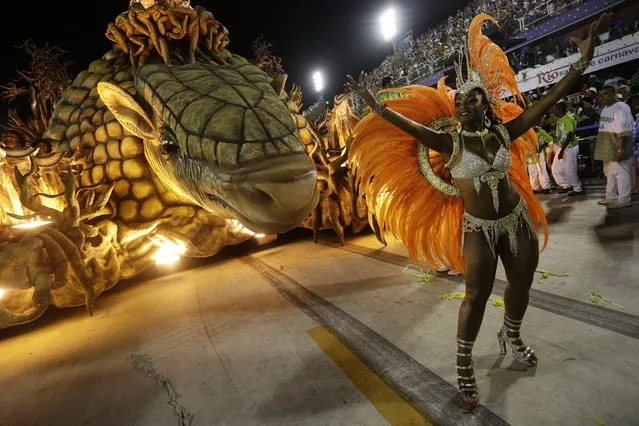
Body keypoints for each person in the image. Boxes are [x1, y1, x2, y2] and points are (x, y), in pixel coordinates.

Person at [346, 12, 608, 408]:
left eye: (473, 98)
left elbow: (548, 100)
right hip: (479, 228)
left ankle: (512, 334)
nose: (465, 103)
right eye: (460, 99)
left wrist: (582, 63)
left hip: (515, 219)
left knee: (522, 283)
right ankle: (464, 361)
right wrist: (374, 106)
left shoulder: (504, 132)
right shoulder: (447, 144)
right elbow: (407, 128)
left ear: (485, 104)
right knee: (476, 296)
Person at [595, 86, 635, 208]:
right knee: (609, 172)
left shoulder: (620, 107)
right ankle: (610, 197)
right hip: (607, 146)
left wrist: (619, 148)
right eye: (600, 95)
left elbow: (622, 130)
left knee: (621, 172)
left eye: (605, 94)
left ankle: (624, 199)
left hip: (616, 146)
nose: (602, 98)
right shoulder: (606, 108)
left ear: (613, 93)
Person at [551, 100, 583, 195]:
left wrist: (562, 151)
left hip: (570, 147)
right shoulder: (559, 118)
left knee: (570, 169)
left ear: (559, 110)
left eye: (555, 109)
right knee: (556, 168)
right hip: (562, 146)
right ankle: (566, 185)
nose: (553, 111)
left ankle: (577, 188)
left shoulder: (569, 119)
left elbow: (569, 136)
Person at [528, 125, 553, 193]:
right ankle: (535, 187)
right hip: (529, 155)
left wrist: (541, 147)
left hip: (538, 153)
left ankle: (546, 187)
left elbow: (549, 140)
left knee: (541, 170)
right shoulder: (525, 133)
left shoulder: (540, 131)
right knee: (532, 171)